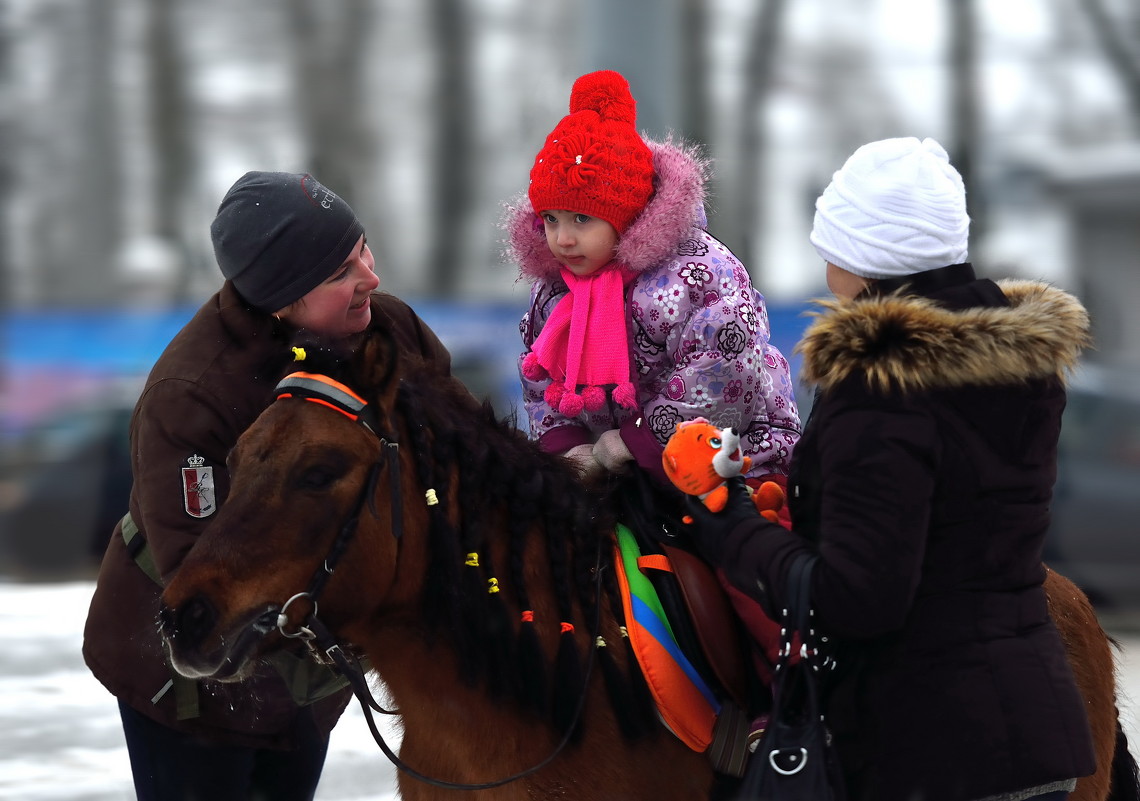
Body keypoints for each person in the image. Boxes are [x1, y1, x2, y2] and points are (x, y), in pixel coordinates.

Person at [685, 137, 1096, 801]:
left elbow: (857, 601)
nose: (825, 268)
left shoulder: (881, 389)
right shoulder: (1021, 371)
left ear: (864, 258)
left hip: (927, 750)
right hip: (1035, 734)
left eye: (831, 246)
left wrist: (729, 520)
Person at [83, 171, 452, 800]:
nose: (370, 277)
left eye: (362, 248)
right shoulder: (192, 394)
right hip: (186, 684)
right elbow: (199, 573)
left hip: (305, 678)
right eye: (339, 273)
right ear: (279, 298)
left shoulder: (390, 332)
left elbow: (458, 457)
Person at [503, 70, 801, 488]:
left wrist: (638, 439)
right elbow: (539, 375)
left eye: (582, 219)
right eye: (551, 219)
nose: (563, 239)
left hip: (736, 459)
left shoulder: (696, 274)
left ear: (625, 216)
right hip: (618, 470)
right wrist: (567, 444)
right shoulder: (556, 288)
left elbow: (724, 375)